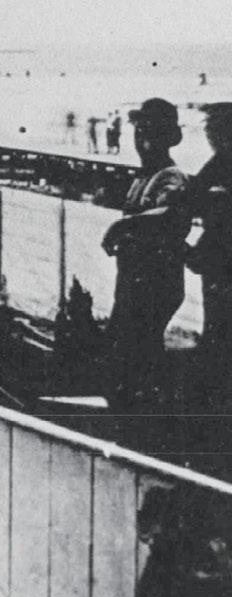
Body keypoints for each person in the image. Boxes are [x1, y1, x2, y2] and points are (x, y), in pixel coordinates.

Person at [102, 98, 191, 408]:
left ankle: (147, 415)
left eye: (151, 133)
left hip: (157, 282)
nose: (143, 142)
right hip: (132, 280)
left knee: (139, 348)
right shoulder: (142, 177)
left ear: (169, 138)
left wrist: (123, 226)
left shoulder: (171, 176)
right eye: (139, 134)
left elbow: (170, 214)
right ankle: (139, 407)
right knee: (128, 348)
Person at [187, 103, 232, 382]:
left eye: (214, 129)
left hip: (221, 253)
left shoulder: (223, 162)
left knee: (219, 318)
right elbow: (195, 195)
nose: (209, 136)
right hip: (217, 253)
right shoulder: (219, 162)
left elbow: (195, 197)